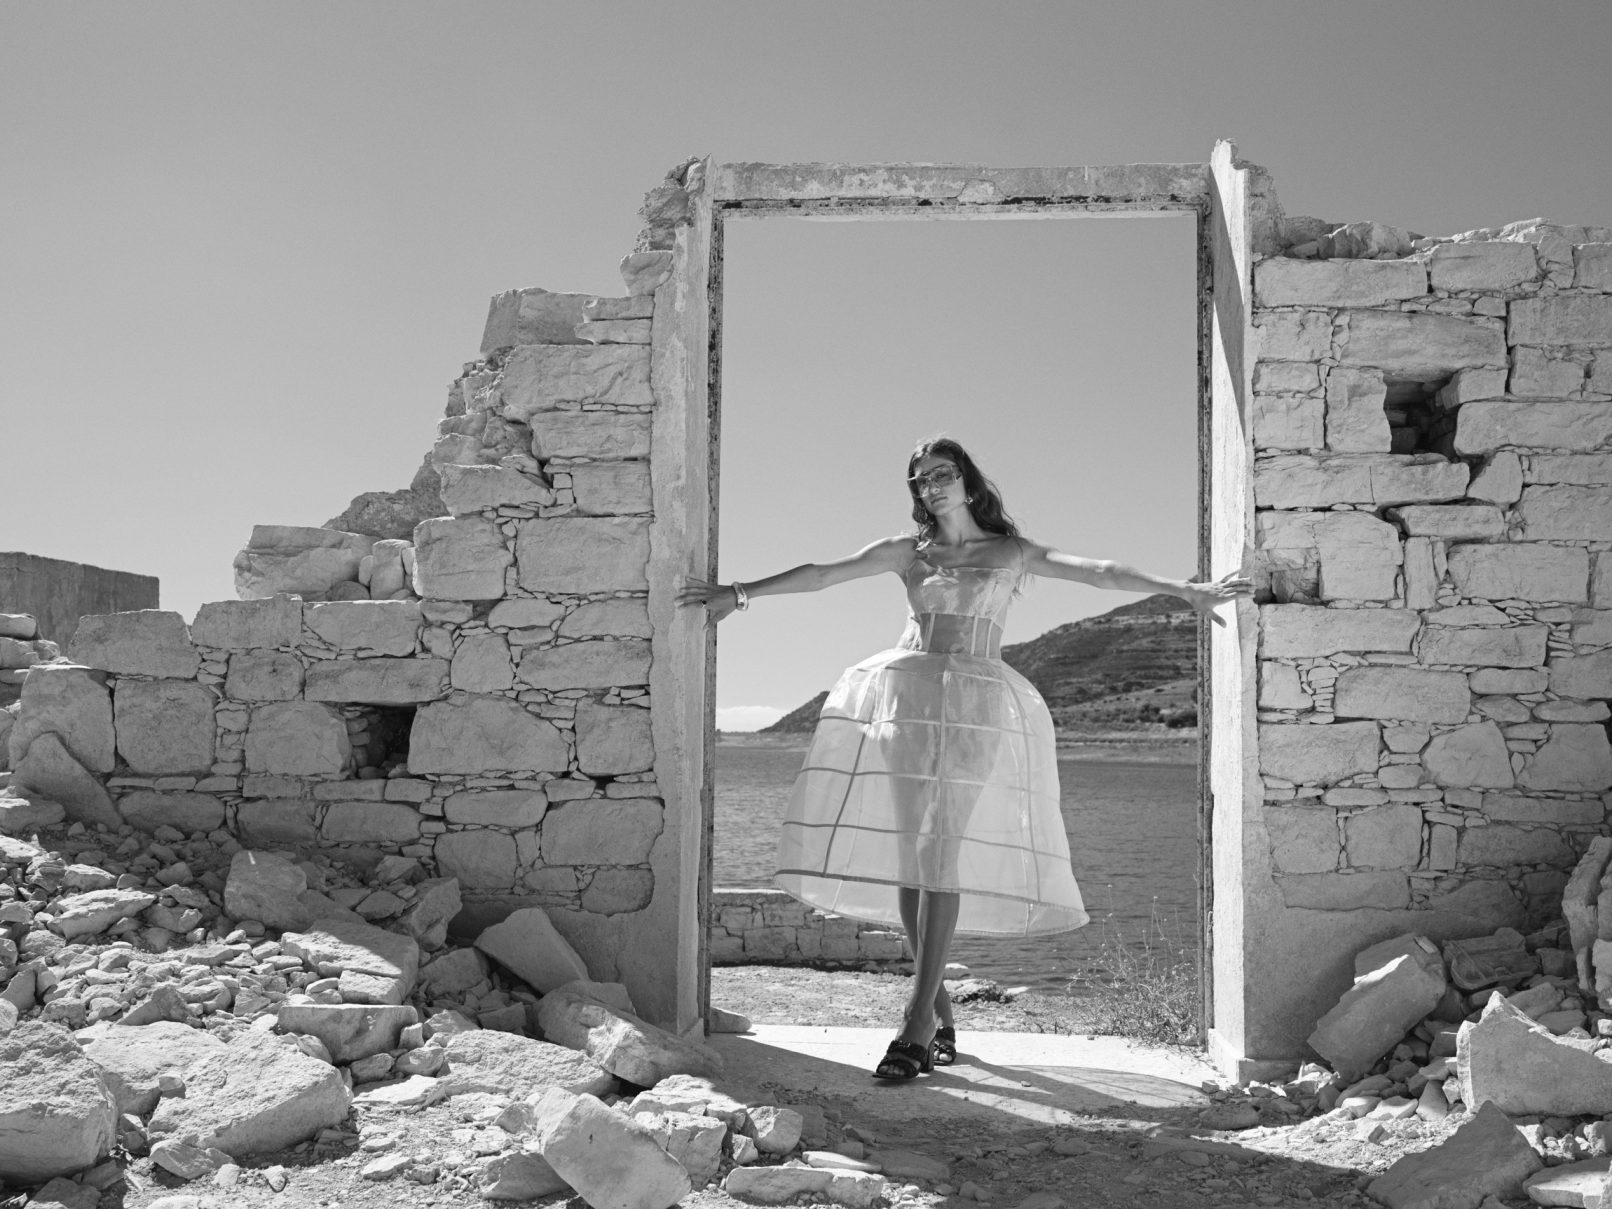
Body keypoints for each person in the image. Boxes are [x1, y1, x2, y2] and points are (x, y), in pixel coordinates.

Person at [678, 436, 1250, 1081]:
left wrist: (1183, 590)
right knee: (911, 857)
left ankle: (915, 1021)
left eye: (942, 473)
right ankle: (937, 1012)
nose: (932, 486)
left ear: (968, 479)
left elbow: (1100, 571)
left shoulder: (1010, 552)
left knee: (942, 851)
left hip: (977, 708)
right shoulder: (908, 552)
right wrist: (741, 593)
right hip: (908, 704)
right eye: (920, 479)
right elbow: (821, 574)